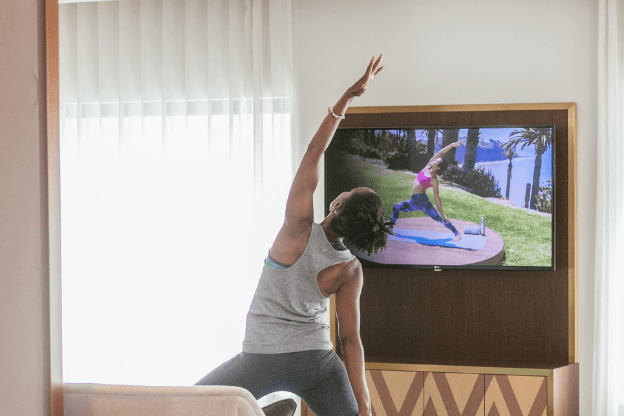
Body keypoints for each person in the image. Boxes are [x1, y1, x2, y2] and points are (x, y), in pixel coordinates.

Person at [195, 55, 393, 416]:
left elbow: (314, 151)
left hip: (261, 358)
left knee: (191, 404)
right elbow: (350, 341)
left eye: (349, 192)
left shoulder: (297, 227)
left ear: (337, 205)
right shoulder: (351, 270)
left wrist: (348, 96)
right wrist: (363, 406)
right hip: (316, 364)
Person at [388, 140, 463, 242]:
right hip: (415, 200)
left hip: (421, 201)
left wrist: (442, 213)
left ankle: (457, 234)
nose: (434, 159)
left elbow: (437, 198)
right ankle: (390, 228)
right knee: (396, 207)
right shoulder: (428, 166)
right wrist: (452, 145)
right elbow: (440, 153)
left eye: (436, 161)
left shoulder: (434, 180)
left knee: (439, 217)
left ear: (438, 167)